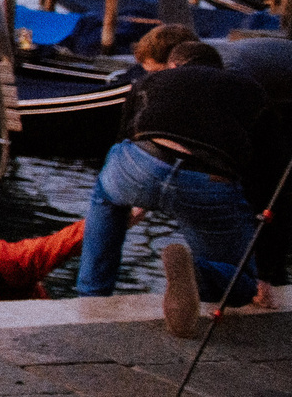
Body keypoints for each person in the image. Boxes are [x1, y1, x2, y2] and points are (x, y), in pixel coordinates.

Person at [74, 22, 289, 336]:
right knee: (243, 285)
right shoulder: (251, 90)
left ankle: (92, 295)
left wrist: (136, 201)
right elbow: (274, 185)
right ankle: (199, 271)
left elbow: (124, 141)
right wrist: (267, 273)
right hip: (206, 181)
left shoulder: (152, 81)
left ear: (174, 65)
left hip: (139, 166)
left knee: (107, 195)